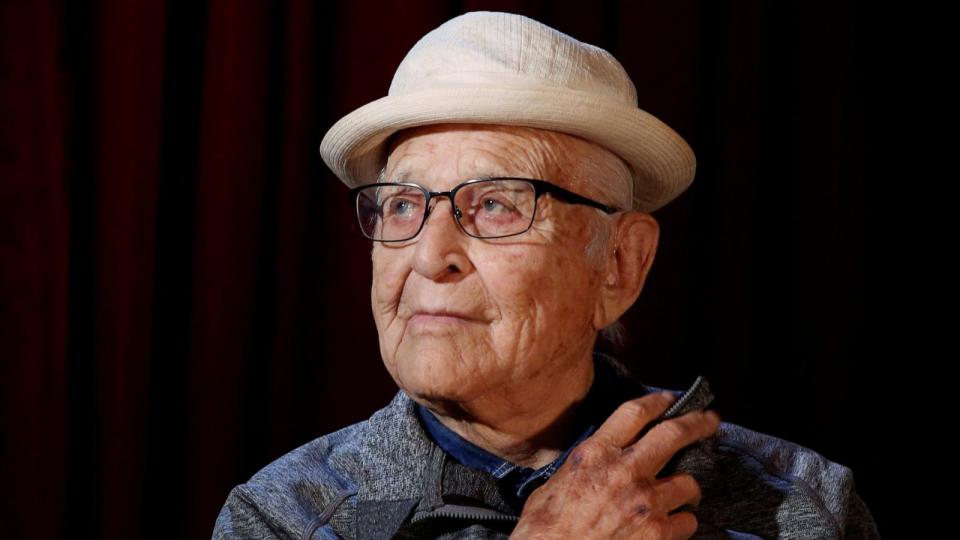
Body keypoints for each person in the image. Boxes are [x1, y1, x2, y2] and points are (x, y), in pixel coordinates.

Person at [212, 11, 880, 539]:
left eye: (496, 204)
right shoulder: (285, 519)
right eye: (404, 206)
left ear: (619, 264)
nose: (426, 254)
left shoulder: (802, 509)